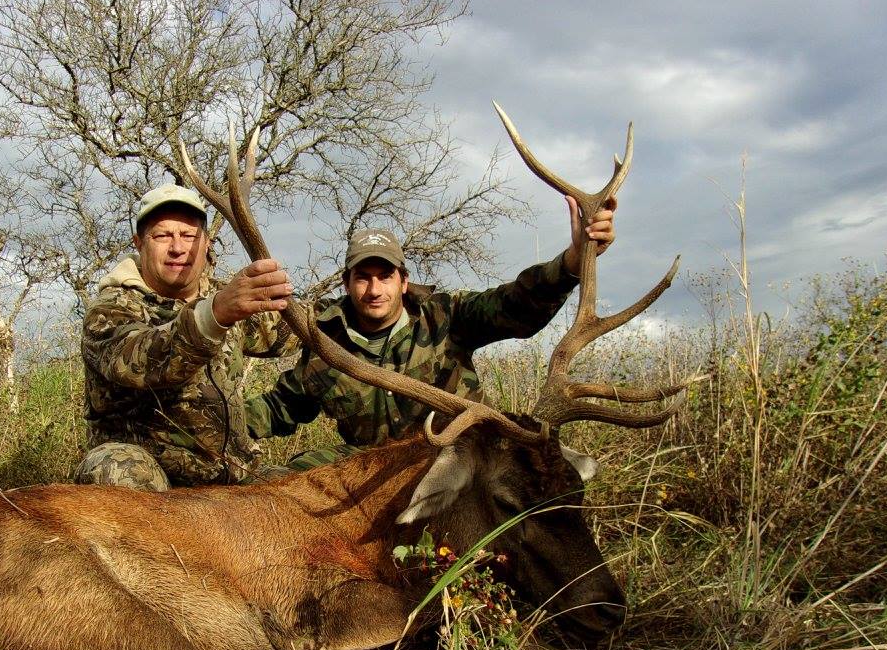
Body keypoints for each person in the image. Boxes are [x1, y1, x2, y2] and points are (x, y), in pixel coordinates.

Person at [244, 198, 616, 467]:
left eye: (385, 276)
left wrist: (570, 262)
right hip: (372, 469)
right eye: (363, 277)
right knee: (286, 480)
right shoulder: (323, 339)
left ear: (404, 280)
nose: (374, 290)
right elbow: (279, 408)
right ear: (347, 282)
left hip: (456, 458)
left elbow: (514, 305)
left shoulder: (446, 315)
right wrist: (213, 425)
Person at [76, 184, 296, 490]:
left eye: (189, 235)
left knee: (318, 489)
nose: (178, 248)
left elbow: (291, 331)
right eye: (163, 235)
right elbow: (141, 360)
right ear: (139, 243)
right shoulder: (111, 311)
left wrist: (367, 304)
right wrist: (215, 315)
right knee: (115, 467)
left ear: (206, 243)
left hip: (230, 477)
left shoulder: (227, 298)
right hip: (156, 482)